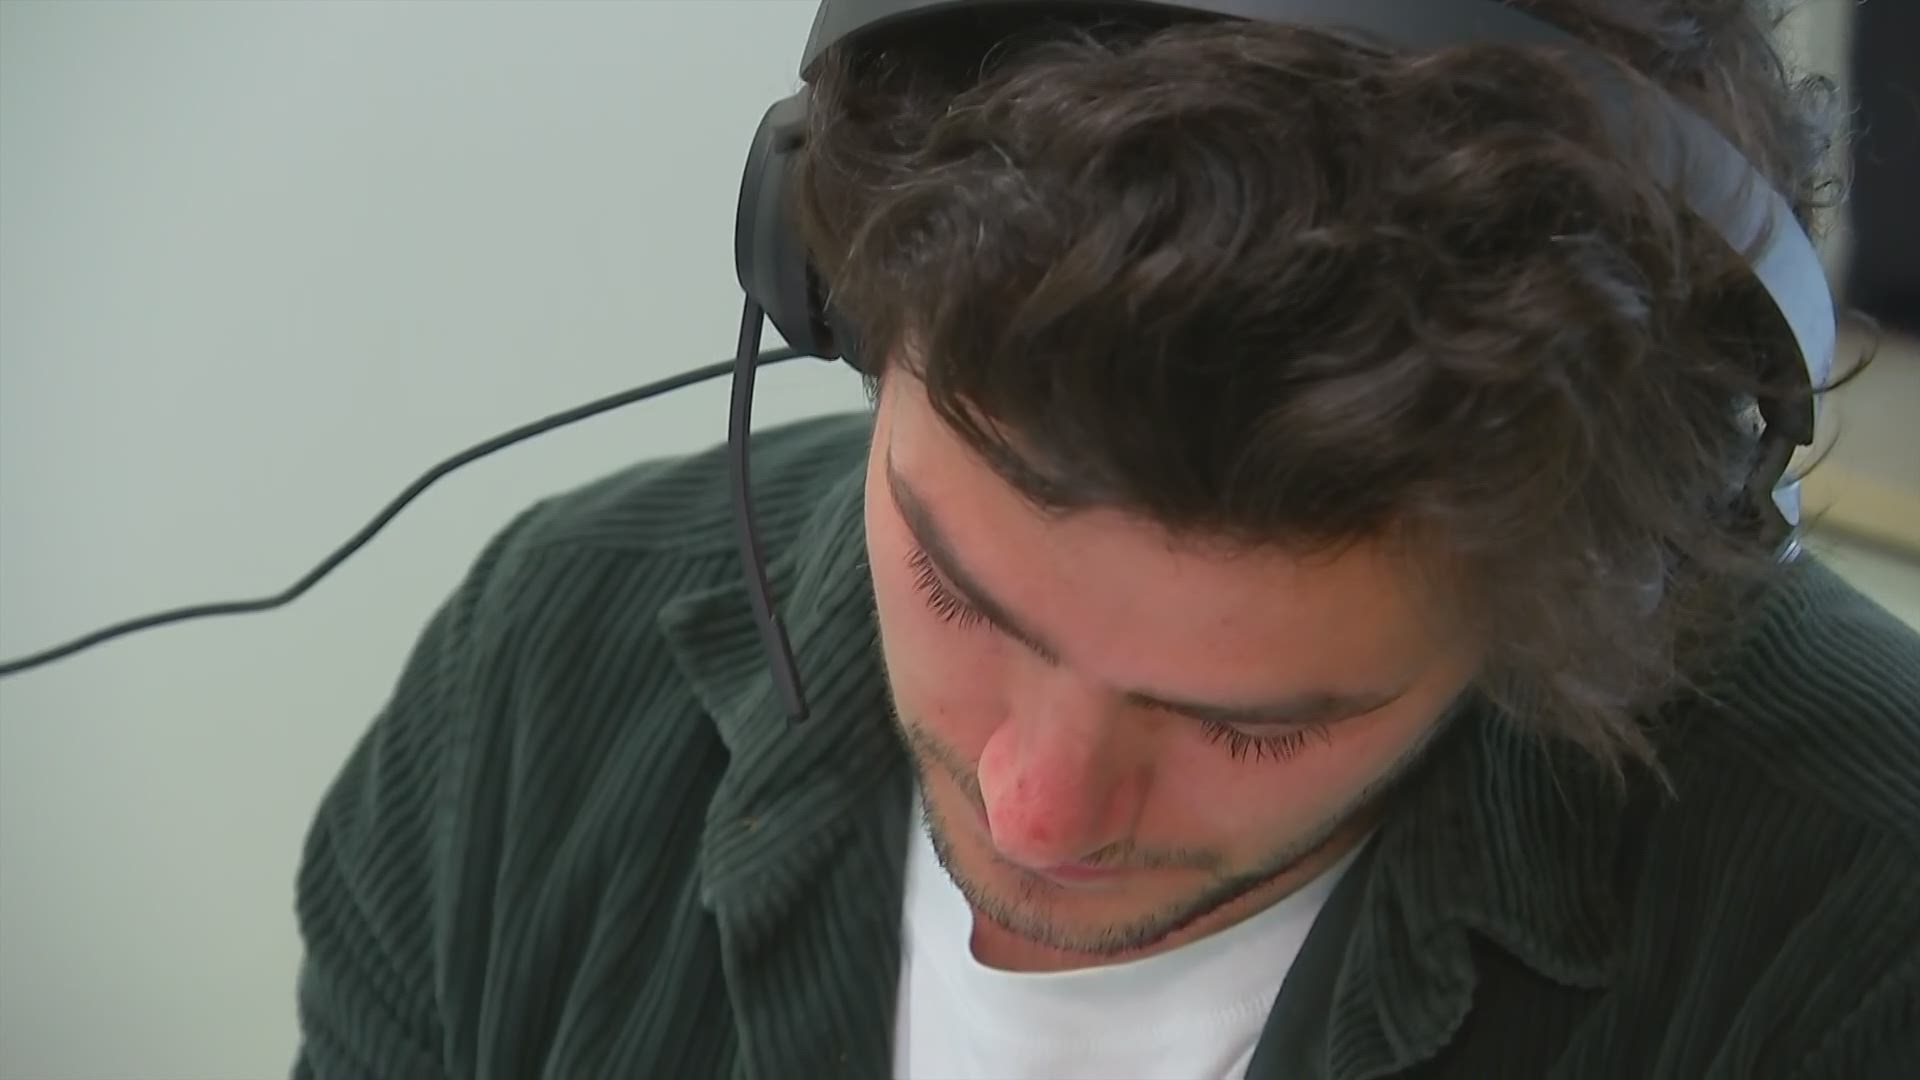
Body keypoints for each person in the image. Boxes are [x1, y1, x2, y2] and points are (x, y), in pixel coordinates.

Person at [290, 2, 1920, 1078]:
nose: (1035, 811)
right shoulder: (542, 672)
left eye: (1248, 724)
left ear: (1591, 586)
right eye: (954, 586)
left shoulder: (1860, 934)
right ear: (828, 293)